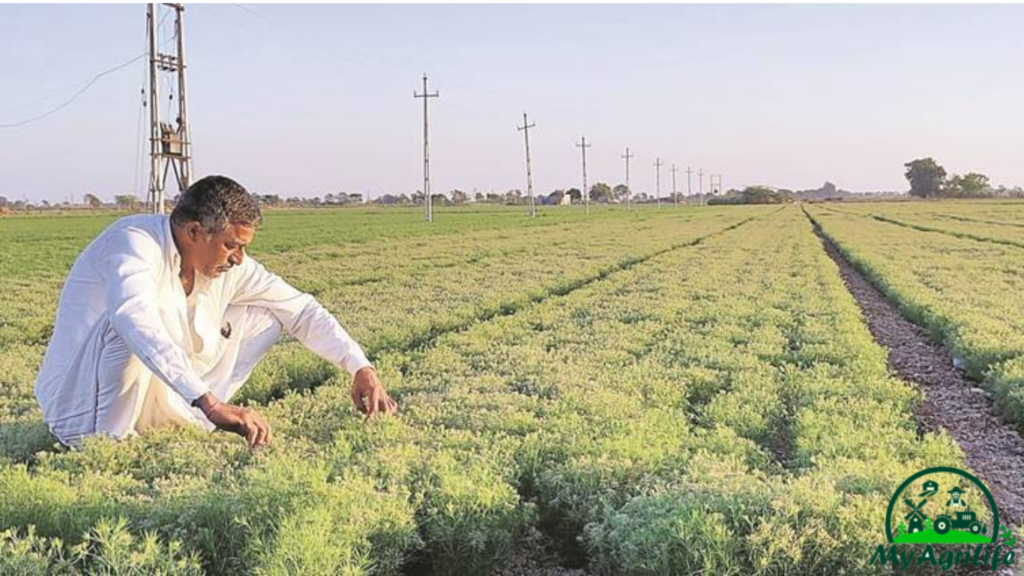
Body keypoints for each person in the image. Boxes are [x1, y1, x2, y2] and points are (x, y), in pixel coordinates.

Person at [34, 175, 396, 449]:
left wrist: (359, 366)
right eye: (231, 246)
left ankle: (190, 419)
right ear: (194, 231)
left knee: (268, 317)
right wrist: (211, 403)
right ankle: (107, 447)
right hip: (80, 405)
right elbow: (136, 320)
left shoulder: (229, 265)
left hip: (157, 393)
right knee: (126, 326)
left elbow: (300, 309)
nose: (238, 259)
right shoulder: (134, 243)